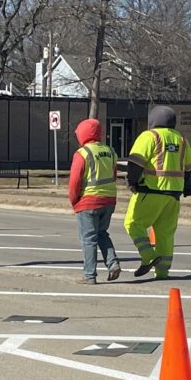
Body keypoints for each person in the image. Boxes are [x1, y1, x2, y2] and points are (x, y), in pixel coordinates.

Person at [123, 105, 191, 280]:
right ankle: (162, 271)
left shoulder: (149, 136)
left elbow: (135, 162)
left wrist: (132, 182)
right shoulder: (181, 139)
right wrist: (187, 188)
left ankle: (148, 255)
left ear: (152, 120)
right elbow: (189, 168)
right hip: (173, 195)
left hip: (150, 190)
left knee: (132, 223)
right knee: (165, 233)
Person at [68, 118, 121, 285]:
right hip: (109, 200)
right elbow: (113, 175)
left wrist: (74, 200)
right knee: (102, 233)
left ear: (82, 134)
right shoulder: (110, 151)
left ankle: (89, 275)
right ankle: (112, 263)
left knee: (89, 238)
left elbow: (75, 181)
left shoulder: (82, 153)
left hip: (88, 201)